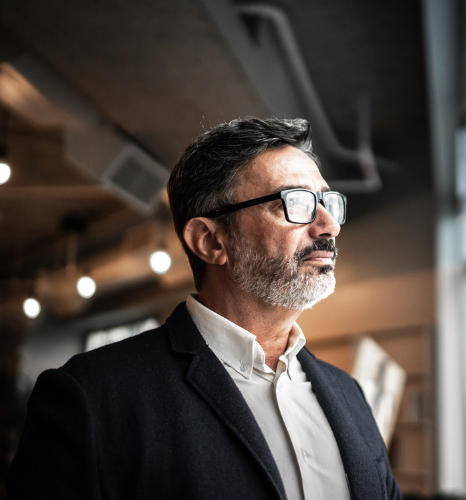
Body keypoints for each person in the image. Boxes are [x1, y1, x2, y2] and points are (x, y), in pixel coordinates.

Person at [7, 117, 402, 500]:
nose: (329, 224)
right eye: (296, 202)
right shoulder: (91, 398)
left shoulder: (348, 394)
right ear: (211, 241)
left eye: (327, 202)